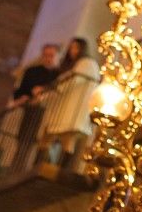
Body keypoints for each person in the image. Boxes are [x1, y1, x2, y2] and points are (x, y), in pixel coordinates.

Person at [39, 38, 99, 169]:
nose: (73, 51)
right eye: (71, 48)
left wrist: (54, 90)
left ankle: (62, 168)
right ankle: (47, 165)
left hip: (72, 110)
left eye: (76, 48)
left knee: (67, 140)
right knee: (54, 139)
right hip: (65, 109)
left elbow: (71, 82)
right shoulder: (76, 66)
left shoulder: (87, 64)